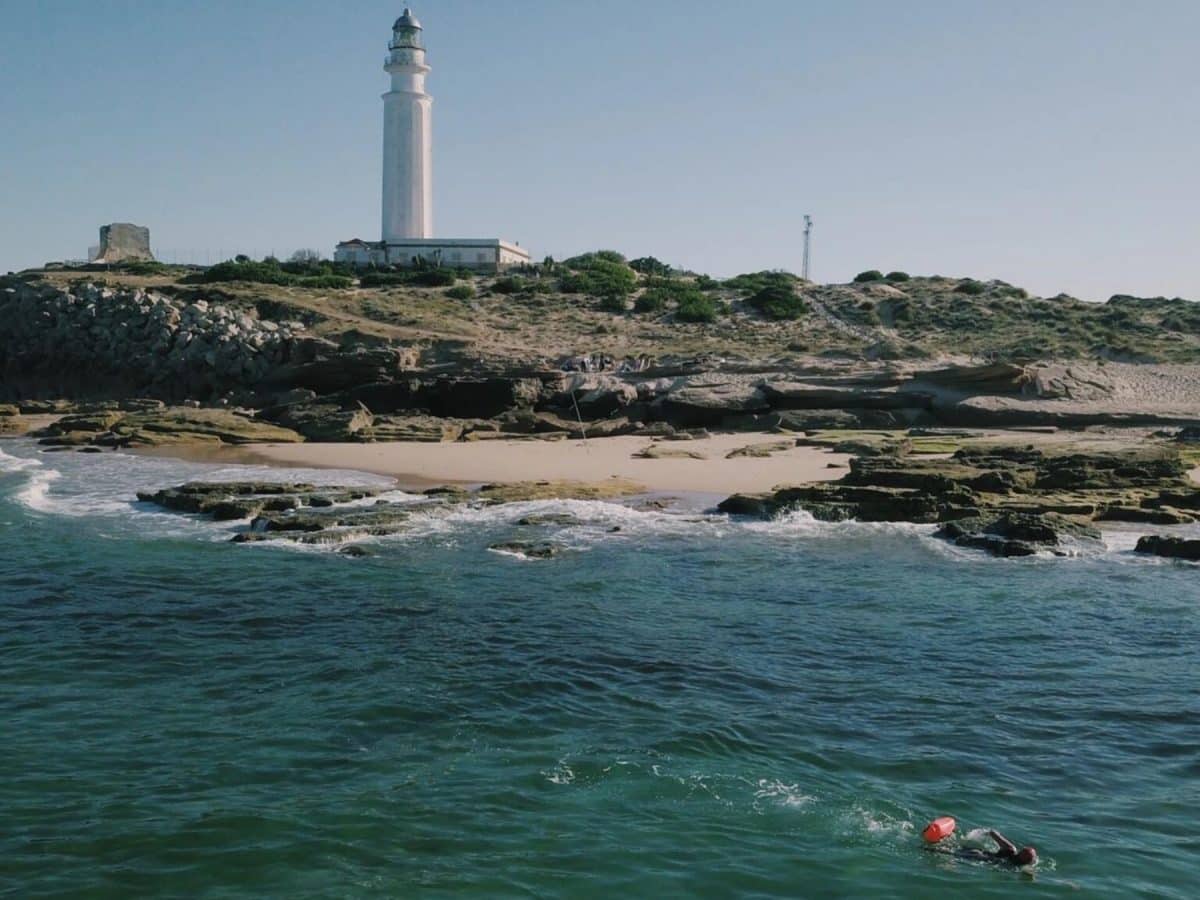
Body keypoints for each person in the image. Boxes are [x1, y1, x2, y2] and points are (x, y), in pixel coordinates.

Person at [949, 830, 1038, 868]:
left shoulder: (1011, 849)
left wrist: (980, 833)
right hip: (978, 857)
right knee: (948, 852)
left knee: (952, 848)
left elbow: (993, 833)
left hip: (980, 854)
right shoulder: (1017, 866)